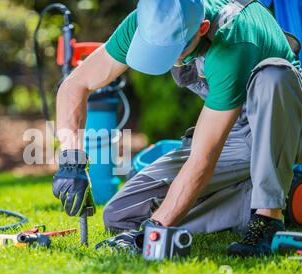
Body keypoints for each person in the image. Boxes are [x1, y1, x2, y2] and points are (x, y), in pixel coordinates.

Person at [52, 0, 302, 257]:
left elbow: (202, 160)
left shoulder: (232, 39)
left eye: (174, 50)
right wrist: (71, 160)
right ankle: (276, 190)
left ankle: (267, 217)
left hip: (285, 126)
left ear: (202, 29)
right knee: (120, 214)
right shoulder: (150, 18)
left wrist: (156, 229)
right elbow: (75, 85)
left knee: (274, 75)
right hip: (233, 130)